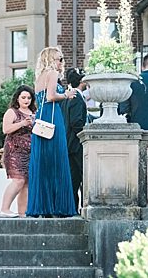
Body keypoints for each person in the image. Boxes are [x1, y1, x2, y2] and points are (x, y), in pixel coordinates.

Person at [27, 47, 77, 218]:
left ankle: (43, 206)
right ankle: (59, 207)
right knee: (57, 160)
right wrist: (67, 94)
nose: (61, 62)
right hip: (52, 118)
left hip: (41, 119)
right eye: (59, 59)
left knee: (43, 162)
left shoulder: (39, 77)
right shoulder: (53, 73)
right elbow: (51, 97)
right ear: (52, 60)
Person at [0, 84, 36, 218]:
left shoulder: (34, 113)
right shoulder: (12, 112)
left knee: (26, 183)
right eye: (23, 97)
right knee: (18, 180)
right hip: (14, 152)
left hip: (30, 153)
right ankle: (4, 209)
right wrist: (22, 123)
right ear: (17, 99)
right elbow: (6, 129)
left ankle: (23, 213)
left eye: (29, 98)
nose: (26, 100)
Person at [59, 68, 87, 211]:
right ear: (82, 81)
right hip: (76, 144)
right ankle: (80, 207)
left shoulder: (69, 96)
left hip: (69, 143)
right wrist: (85, 136)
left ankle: (72, 208)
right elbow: (76, 122)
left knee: (73, 179)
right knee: (81, 177)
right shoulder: (76, 96)